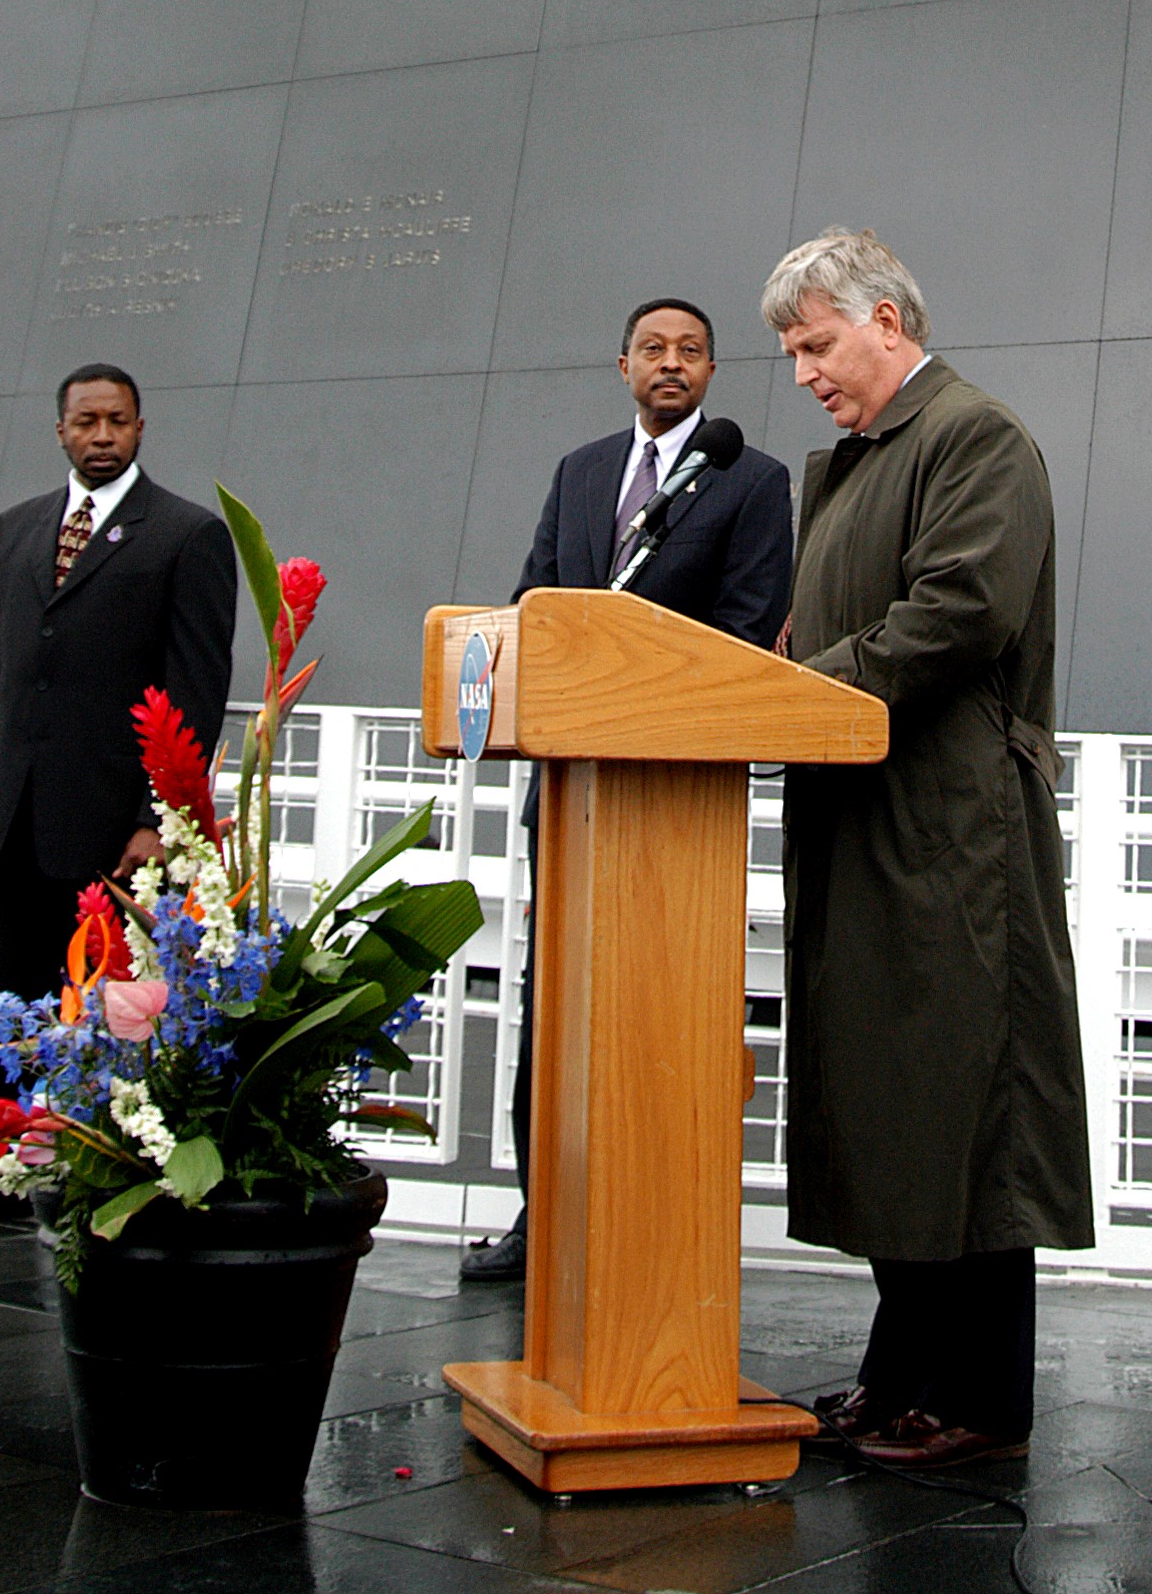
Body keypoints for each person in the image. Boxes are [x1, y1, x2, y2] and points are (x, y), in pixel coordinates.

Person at [760, 228, 1092, 1467]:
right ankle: (898, 1373)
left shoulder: (975, 436)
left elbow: (960, 609)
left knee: (968, 1102)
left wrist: (805, 698)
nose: (802, 373)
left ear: (887, 318)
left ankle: (978, 1401)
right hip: (869, 818)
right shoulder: (856, 462)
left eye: (816, 344)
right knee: (897, 1103)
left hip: (955, 835)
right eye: (792, 351)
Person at [459, 297, 792, 1283]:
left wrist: (629, 691)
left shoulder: (750, 480)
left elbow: (743, 630)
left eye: (692, 351)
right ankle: (544, 1215)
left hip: (673, 803)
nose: (672, 363)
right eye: (655, 348)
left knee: (658, 1013)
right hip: (566, 790)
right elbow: (532, 608)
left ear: (712, 373)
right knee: (553, 1002)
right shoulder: (583, 472)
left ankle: (651, 1225)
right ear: (623, 365)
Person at [0, 365, 236, 1233]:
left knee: (103, 1007)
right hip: (12, 816)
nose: (101, 435)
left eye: (118, 422)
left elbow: (193, 691)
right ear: (60, 431)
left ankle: (93, 1176)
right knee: (6, 999)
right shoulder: (17, 529)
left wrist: (156, 819)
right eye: (85, 422)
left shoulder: (184, 535)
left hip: (110, 830)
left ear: (142, 428)